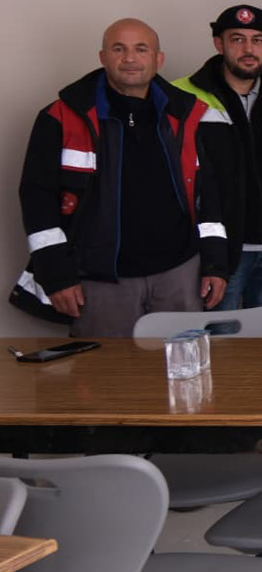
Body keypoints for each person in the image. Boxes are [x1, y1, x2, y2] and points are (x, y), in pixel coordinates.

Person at [15, 19, 229, 335]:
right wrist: (56, 274)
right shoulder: (59, 117)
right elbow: (37, 198)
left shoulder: (188, 114)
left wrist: (214, 263)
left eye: (141, 49)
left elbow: (207, 194)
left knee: (182, 363)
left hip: (180, 274)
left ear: (158, 59)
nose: (130, 58)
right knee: (106, 367)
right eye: (119, 49)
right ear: (102, 57)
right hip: (100, 279)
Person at [173, 5, 262, 310]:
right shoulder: (182, 96)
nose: (248, 49)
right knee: (220, 337)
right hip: (217, 250)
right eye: (237, 39)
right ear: (219, 44)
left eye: (257, 40)